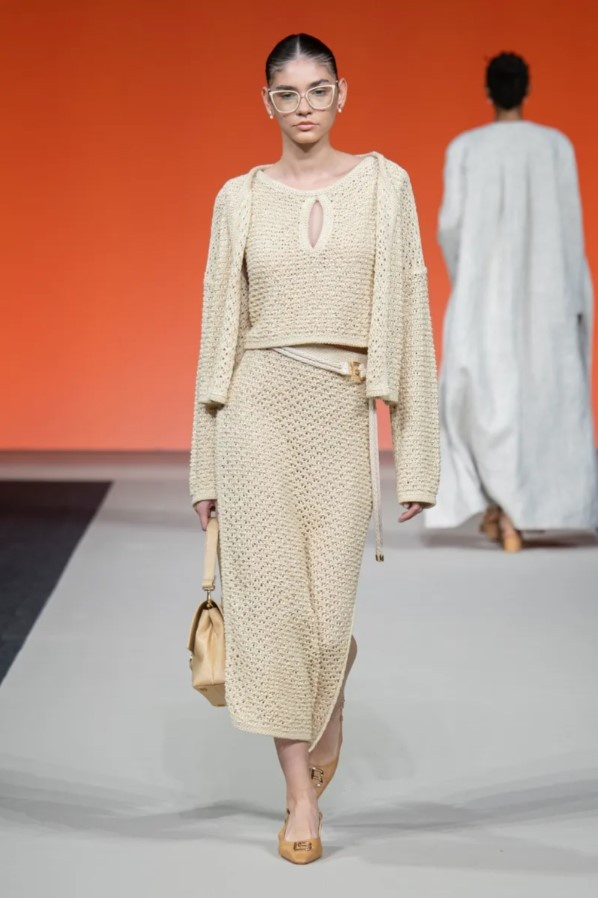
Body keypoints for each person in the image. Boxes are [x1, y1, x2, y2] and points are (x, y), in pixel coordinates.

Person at [189, 33, 439, 863]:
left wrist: (417, 453)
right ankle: (300, 798)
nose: (304, 107)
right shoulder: (239, 199)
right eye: (288, 93)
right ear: (266, 102)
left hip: (339, 415)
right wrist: (204, 462)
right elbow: (218, 332)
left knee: (328, 618)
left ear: (342, 93)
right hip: (255, 414)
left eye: (318, 90)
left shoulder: (385, 186)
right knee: (272, 616)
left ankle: (332, 676)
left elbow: (409, 316)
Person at [426, 52, 598, 550]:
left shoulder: (466, 148)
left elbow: (450, 226)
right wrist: (572, 291)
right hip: (545, 292)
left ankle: (502, 512)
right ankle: (510, 509)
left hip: (483, 291)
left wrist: (469, 276)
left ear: (488, 92)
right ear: (527, 90)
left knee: (481, 396)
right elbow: (570, 227)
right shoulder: (555, 147)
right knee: (538, 395)